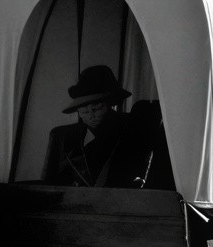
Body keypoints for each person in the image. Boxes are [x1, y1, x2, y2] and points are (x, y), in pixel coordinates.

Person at [41, 65, 170, 188]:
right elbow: (48, 183)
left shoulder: (134, 128)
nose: (91, 116)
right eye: (84, 112)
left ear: (111, 104)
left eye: (96, 109)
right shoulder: (61, 136)